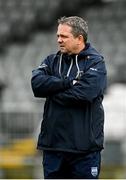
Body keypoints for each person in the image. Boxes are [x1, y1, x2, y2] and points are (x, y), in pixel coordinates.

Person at [31, 16, 107, 179]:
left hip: (84, 151)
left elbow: (84, 94)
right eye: (58, 36)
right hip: (53, 148)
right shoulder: (51, 61)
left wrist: (52, 90)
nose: (59, 40)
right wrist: (69, 83)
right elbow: (37, 84)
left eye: (64, 36)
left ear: (79, 38)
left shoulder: (95, 63)